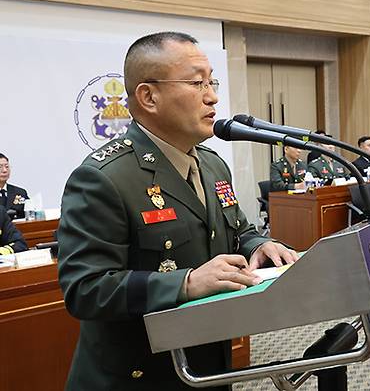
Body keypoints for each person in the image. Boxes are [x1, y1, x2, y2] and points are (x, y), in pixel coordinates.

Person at [57, 32, 298, 391]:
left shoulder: (214, 165)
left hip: (206, 364)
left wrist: (258, 245)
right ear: (148, 96)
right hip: (140, 376)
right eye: (196, 82)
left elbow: (238, 230)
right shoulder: (103, 178)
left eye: (212, 81)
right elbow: (85, 288)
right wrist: (184, 283)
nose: (213, 96)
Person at [0, 153, 29, 219]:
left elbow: (30, 215)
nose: (4, 170)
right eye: (0, 167)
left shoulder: (20, 192)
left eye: (7, 167)